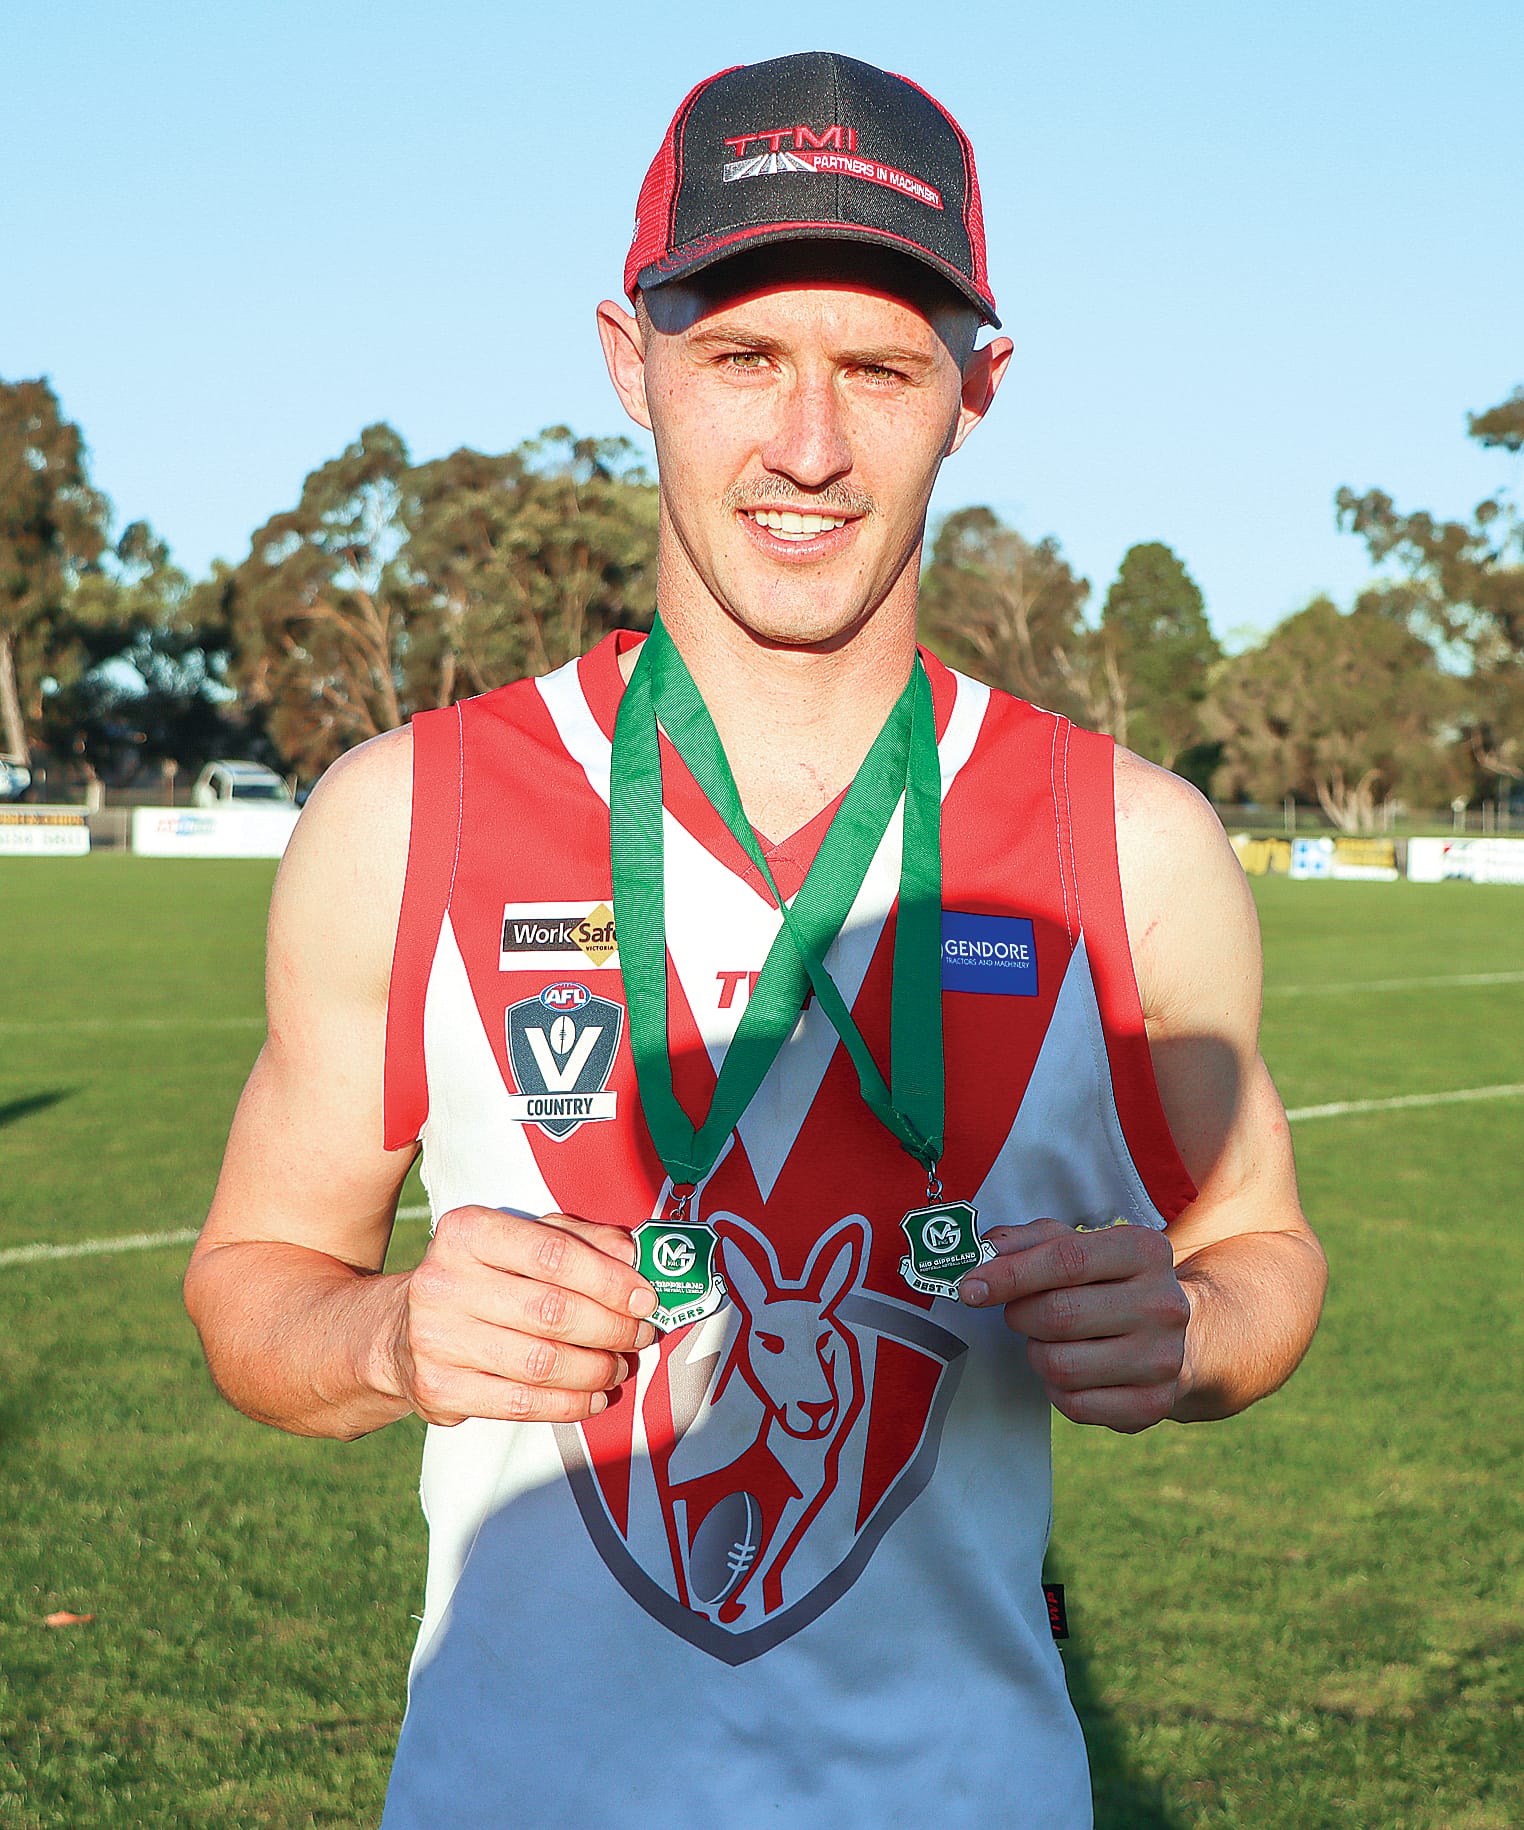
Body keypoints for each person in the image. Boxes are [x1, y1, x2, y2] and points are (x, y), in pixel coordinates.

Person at [185, 50, 1326, 1829]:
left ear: (978, 387)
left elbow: (1266, 1253)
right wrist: (391, 1333)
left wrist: (1188, 1330)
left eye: (878, 367)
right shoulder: (407, 816)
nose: (807, 443)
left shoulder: (1136, 846)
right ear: (628, 361)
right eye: (741, 357)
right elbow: (254, 1277)